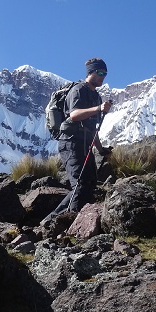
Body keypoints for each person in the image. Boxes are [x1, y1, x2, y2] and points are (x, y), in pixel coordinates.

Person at [46, 58, 113, 219]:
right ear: (91, 72)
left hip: (85, 144)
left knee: (89, 184)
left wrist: (101, 149)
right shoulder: (78, 90)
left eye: (105, 73)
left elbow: (92, 129)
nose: (103, 76)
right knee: (80, 184)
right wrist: (98, 108)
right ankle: (61, 222)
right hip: (71, 142)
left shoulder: (96, 96)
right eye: (100, 73)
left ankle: (65, 220)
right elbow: (74, 115)